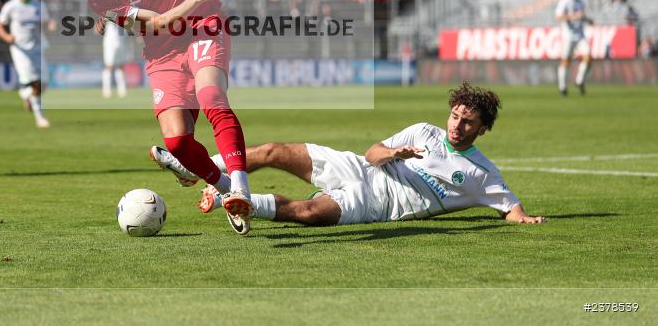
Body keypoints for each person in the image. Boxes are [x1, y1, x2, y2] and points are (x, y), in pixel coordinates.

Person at [31, 0, 255, 234]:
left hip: (203, 23)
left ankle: (240, 188)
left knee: (212, 98)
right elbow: (160, 23)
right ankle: (225, 189)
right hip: (163, 47)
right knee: (178, 143)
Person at [164, 83, 544, 228]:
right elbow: (373, 152)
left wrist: (523, 217)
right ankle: (198, 166)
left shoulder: (481, 172)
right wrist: (394, 151)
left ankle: (234, 200)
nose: (457, 125)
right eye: (456, 116)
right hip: (359, 167)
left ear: (483, 129)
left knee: (308, 213)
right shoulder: (424, 131)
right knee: (273, 151)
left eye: (468, 122)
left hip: (376, 203)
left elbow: (509, 206)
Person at [0, 0, 56, 128]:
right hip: (20, 50)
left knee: (43, 84)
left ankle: (25, 94)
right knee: (35, 82)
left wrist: (50, 25)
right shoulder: (11, 6)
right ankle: (40, 118)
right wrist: (7, 36)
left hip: (37, 47)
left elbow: (46, 23)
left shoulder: (39, 5)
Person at [555, 0, 591, 96]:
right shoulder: (565, 1)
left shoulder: (580, 2)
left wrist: (588, 20)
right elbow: (558, 17)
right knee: (566, 61)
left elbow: (581, 16)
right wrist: (572, 17)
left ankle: (579, 80)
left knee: (588, 57)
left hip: (580, 35)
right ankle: (562, 87)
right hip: (568, 35)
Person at [101, 20, 129, 99]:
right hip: (110, 41)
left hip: (122, 40)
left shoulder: (124, 11)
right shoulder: (108, 13)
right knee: (109, 66)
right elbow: (98, 28)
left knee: (120, 66)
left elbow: (129, 25)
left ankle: (122, 90)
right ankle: (106, 90)